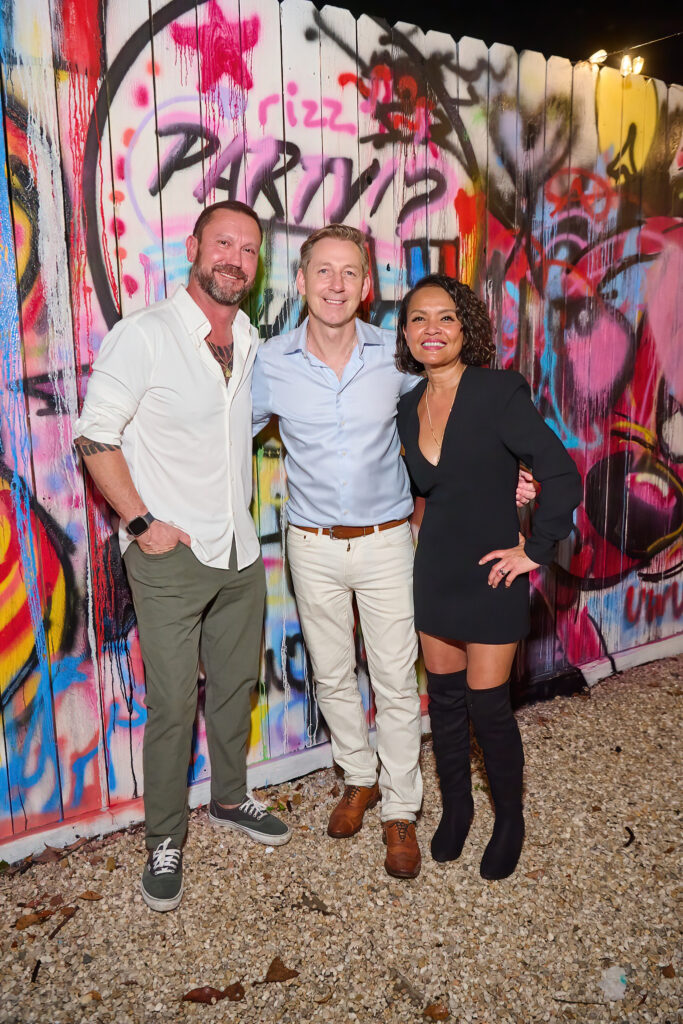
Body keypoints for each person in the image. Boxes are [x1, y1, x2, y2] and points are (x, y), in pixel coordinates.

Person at [252, 226, 536, 880]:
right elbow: (224, 431)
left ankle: (400, 808)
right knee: (330, 672)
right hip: (312, 543)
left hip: (387, 541)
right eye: (322, 272)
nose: (334, 285)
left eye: (348, 272)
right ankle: (357, 776)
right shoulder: (272, 362)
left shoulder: (397, 356)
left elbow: (462, 415)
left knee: (395, 679)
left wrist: (515, 480)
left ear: (365, 286)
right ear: (300, 282)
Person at [74, 200, 290, 914]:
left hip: (238, 555)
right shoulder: (145, 336)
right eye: (222, 242)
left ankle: (230, 797)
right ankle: (163, 838)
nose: (234, 258)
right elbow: (95, 435)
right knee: (172, 706)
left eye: (248, 249)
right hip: (169, 557)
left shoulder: (253, 339)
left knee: (234, 690)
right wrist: (139, 522)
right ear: (194, 246)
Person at [395, 273, 582, 880]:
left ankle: (510, 819)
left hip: (494, 575)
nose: (432, 329)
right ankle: (457, 810)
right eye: (419, 318)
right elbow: (433, 492)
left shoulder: (498, 391)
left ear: (465, 328)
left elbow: (560, 472)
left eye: (445, 317)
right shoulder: (406, 407)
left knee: (488, 706)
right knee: (444, 703)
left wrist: (537, 548)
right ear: (405, 332)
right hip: (436, 571)